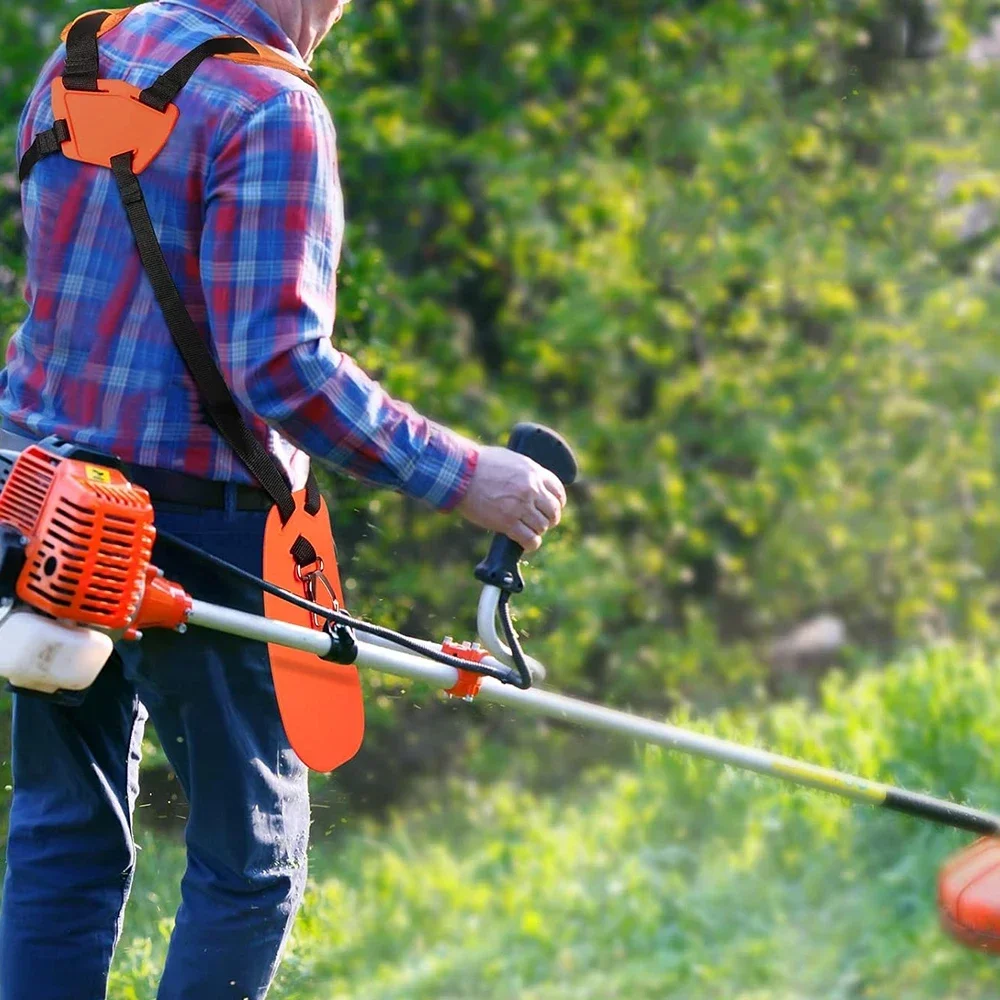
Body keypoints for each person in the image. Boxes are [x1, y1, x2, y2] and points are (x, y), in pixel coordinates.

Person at [0, 1, 567, 997]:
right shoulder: (270, 105)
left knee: (63, 831)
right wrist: (465, 474)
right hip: (192, 521)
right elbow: (282, 371)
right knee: (249, 856)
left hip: (41, 503)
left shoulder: (85, 57)